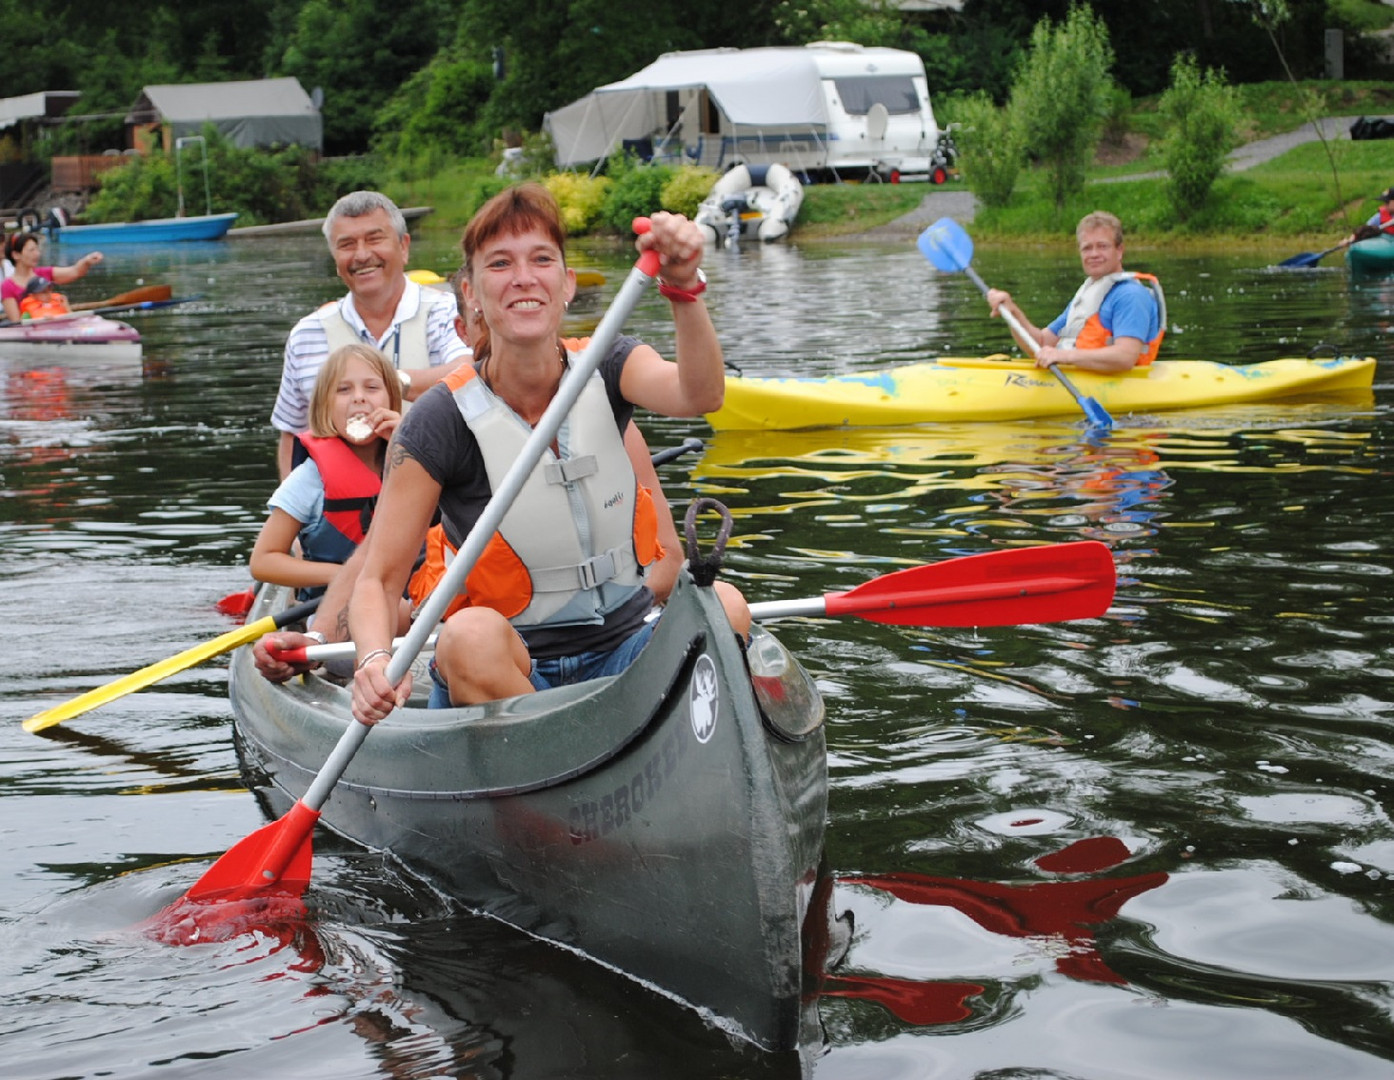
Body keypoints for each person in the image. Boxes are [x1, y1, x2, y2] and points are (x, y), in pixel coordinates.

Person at [349, 184, 745, 723]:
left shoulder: (611, 365)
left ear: (567, 283)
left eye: (542, 259)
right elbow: (377, 581)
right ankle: (576, 754)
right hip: (509, 667)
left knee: (726, 607)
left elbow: (701, 396)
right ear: (470, 293)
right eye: (499, 264)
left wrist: (684, 287)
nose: (523, 277)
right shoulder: (438, 422)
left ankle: (642, 744)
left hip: (625, 650)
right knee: (467, 637)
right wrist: (373, 658)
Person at [272, 191, 471, 479]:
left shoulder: (448, 313)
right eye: (347, 245)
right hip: (341, 515)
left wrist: (390, 383)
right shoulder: (306, 335)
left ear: (403, 247)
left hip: (438, 506)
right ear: (335, 258)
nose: (362, 255)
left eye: (375, 239)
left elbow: (466, 376)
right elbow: (292, 433)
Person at [249, 343, 403, 602]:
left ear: (392, 401)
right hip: (334, 607)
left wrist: (407, 440)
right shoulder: (309, 479)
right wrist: (341, 575)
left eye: (372, 387)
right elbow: (263, 561)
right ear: (325, 407)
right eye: (343, 390)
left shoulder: (416, 460)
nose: (359, 397)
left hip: (409, 602)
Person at [985, 210, 1163, 375]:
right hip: (1080, 378)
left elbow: (1124, 358)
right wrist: (1011, 312)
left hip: (1126, 384)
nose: (1094, 254)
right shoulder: (1089, 294)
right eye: (1087, 248)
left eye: (1102, 246)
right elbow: (1041, 343)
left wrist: (1064, 356)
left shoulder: (1130, 295)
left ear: (1119, 251)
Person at [1, 231, 103, 322]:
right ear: (16, 255)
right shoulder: (7, 286)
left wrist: (87, 261)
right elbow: (16, 321)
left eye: (37, 249)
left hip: (56, 325)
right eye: (31, 250)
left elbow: (75, 271)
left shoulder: (44, 273)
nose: (37, 254)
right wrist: (41, 321)